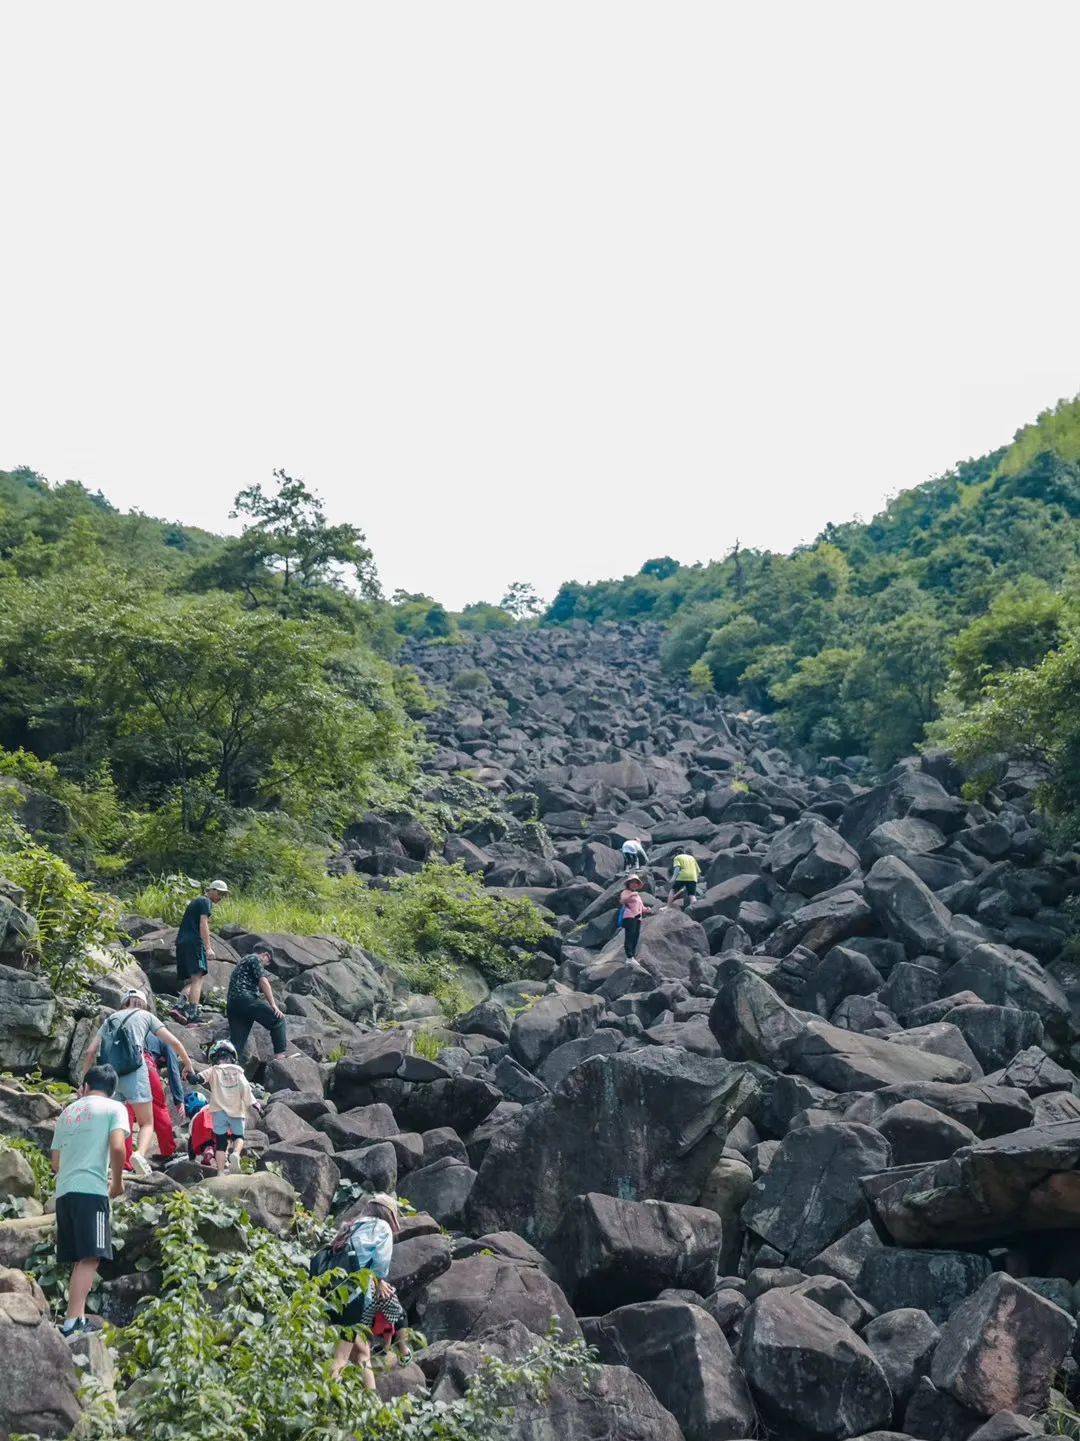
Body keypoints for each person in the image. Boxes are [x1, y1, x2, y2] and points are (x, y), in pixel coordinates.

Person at [50, 1063, 129, 1337]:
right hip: (91, 1191)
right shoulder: (114, 1108)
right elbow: (118, 1146)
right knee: (91, 1257)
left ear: (84, 1086)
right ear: (112, 1090)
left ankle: (78, 1318)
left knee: (81, 1258)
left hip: (64, 1192)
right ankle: (73, 1323)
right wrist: (117, 1182)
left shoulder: (68, 1112)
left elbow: (55, 1162)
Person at [82, 990, 193, 1178]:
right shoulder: (146, 1016)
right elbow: (173, 1042)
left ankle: (119, 1164)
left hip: (113, 1075)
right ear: (144, 1003)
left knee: (119, 1121)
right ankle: (140, 1155)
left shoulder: (110, 1019)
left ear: (124, 1002)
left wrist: (84, 1083)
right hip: (138, 1070)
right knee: (147, 1122)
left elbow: (91, 1051)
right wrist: (188, 1063)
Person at [326, 1195, 410, 1387]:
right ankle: (325, 1405)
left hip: (330, 1292)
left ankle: (372, 1408)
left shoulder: (350, 1226)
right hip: (353, 1299)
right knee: (341, 1359)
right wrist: (380, 1281)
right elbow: (381, 1261)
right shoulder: (381, 1228)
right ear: (388, 1214)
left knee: (363, 1354)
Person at [189, 1039, 258, 1173]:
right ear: (233, 1058)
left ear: (214, 1059)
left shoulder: (213, 1070)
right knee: (237, 1137)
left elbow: (197, 1079)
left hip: (217, 1112)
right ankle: (235, 1154)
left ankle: (219, 1171)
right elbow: (246, 1088)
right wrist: (254, 1103)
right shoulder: (239, 1071)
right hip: (236, 1111)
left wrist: (190, 1076)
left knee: (220, 1144)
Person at [172, 880, 229, 1024]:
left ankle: (179, 1007)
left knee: (194, 978)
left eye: (223, 895)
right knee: (198, 978)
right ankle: (193, 1014)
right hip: (194, 943)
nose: (220, 897)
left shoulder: (195, 902)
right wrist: (208, 947)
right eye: (219, 893)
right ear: (212, 890)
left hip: (182, 942)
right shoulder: (205, 901)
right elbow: (203, 923)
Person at [227, 945, 288, 1059]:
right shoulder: (255, 958)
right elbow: (263, 981)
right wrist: (273, 1005)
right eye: (268, 962)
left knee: (237, 1044)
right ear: (266, 955)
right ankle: (280, 1056)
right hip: (246, 998)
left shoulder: (242, 962)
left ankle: (225, 1063)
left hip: (233, 1004)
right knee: (278, 1020)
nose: (267, 965)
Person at [619, 874, 651, 960]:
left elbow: (641, 907)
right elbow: (622, 900)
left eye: (636, 883)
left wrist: (646, 909)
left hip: (637, 918)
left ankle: (632, 956)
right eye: (632, 882)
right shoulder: (625, 892)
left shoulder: (637, 895)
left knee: (635, 937)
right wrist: (631, 895)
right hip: (629, 917)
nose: (634, 884)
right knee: (630, 936)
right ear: (628, 883)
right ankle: (629, 956)